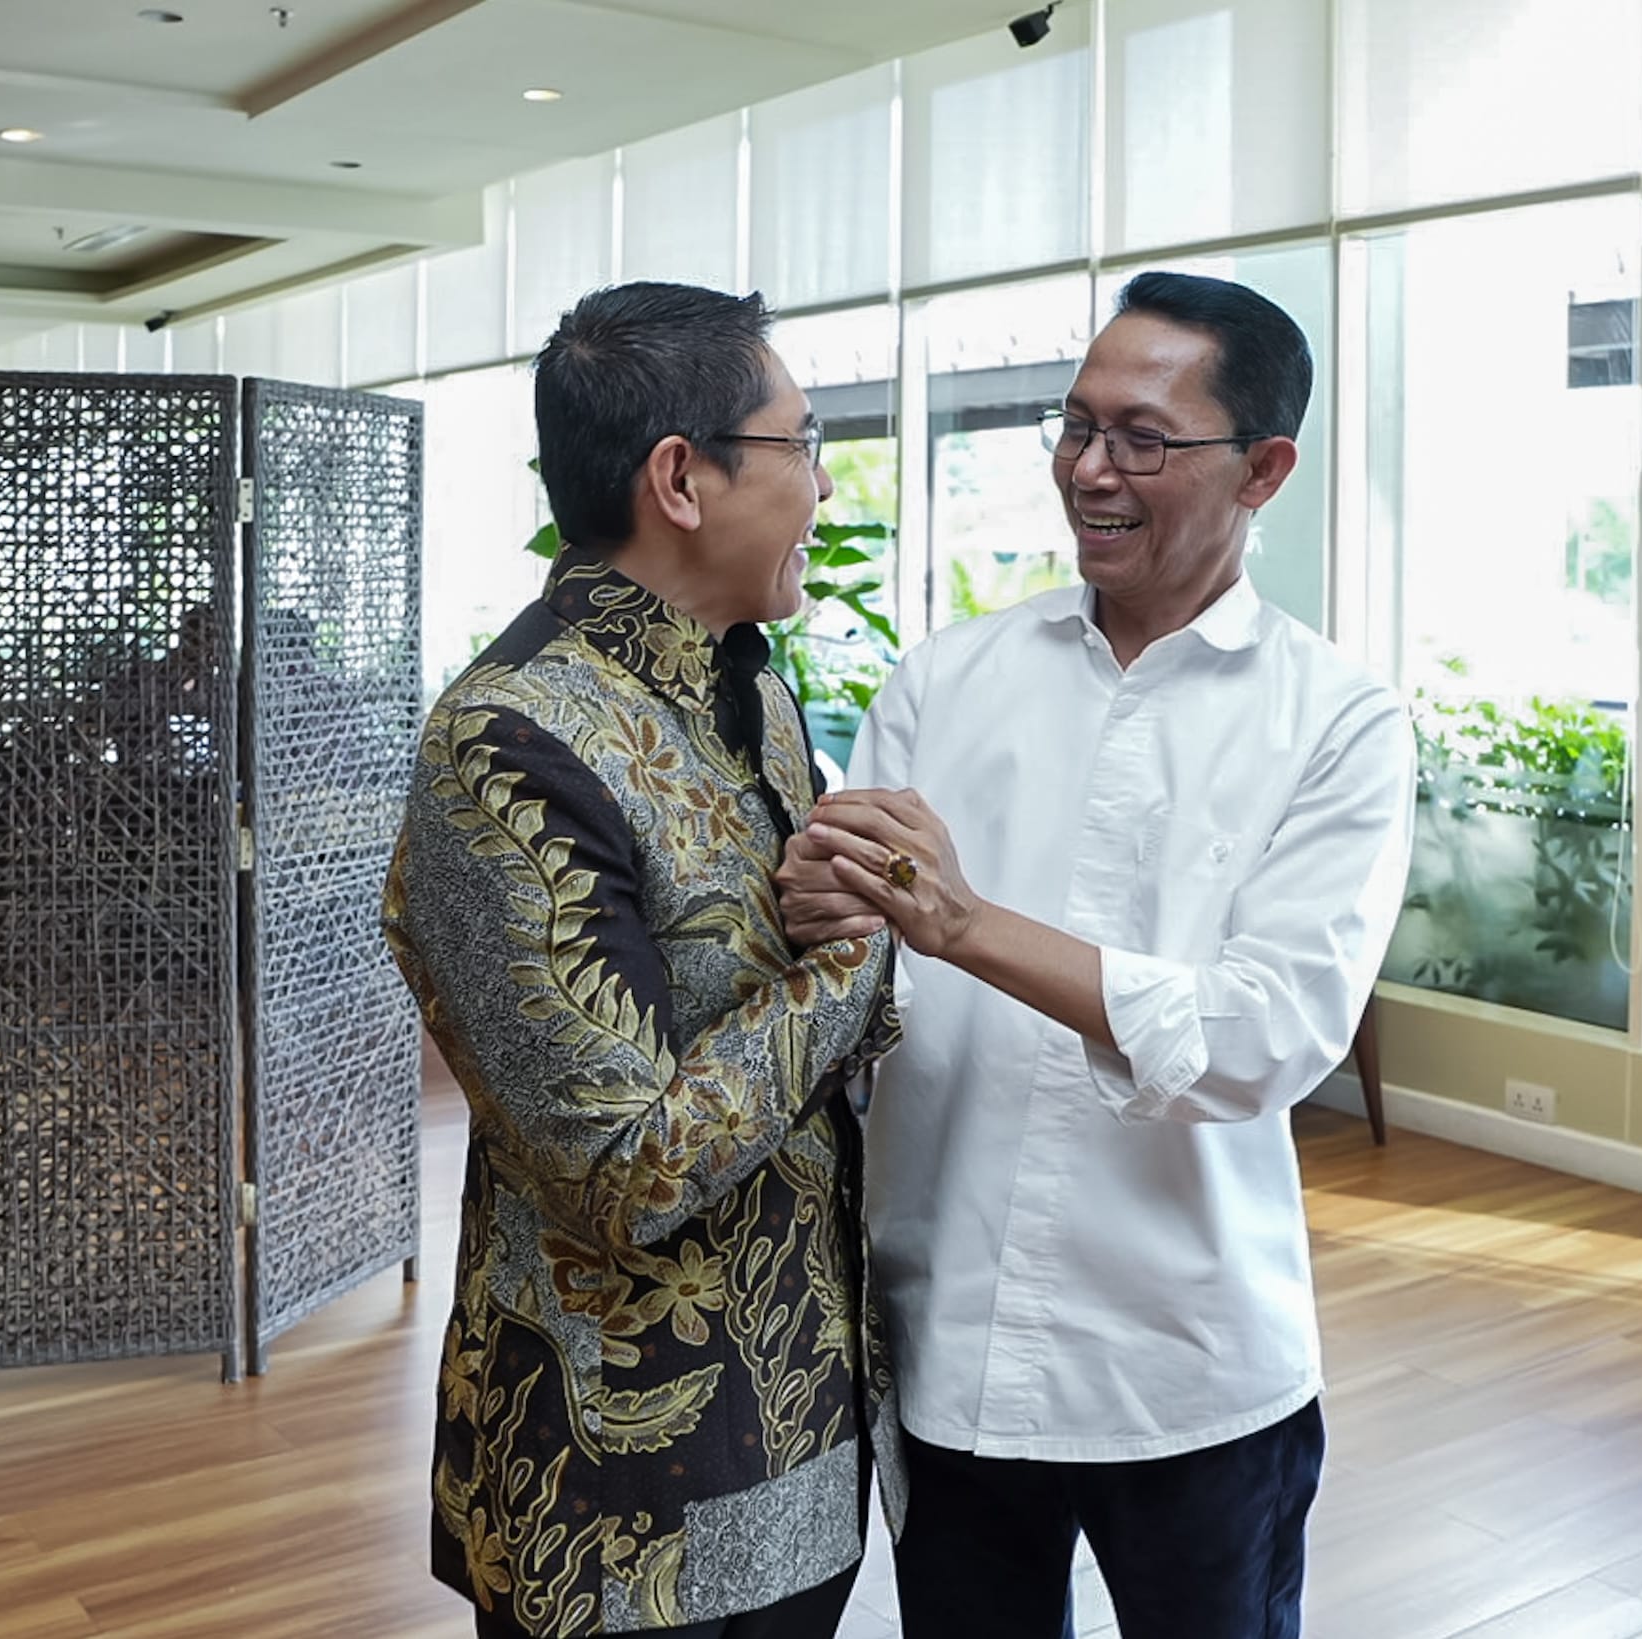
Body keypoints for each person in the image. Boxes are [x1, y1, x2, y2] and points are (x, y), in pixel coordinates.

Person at [778, 272, 1417, 1639]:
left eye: (1141, 437)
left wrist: (965, 924)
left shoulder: (1338, 722)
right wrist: (817, 909)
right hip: (946, 1333)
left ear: (1263, 469)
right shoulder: (944, 681)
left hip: (1188, 1365)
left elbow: (1261, 1036)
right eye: (1074, 426)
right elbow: (852, 979)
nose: (1088, 469)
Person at [382, 281, 904, 1639]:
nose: (823, 487)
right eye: (800, 444)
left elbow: (790, 1000)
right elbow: (625, 1169)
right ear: (681, 477)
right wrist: (864, 949)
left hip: (799, 1411)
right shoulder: (509, 743)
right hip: (617, 1494)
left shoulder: (751, 687)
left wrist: (845, 927)